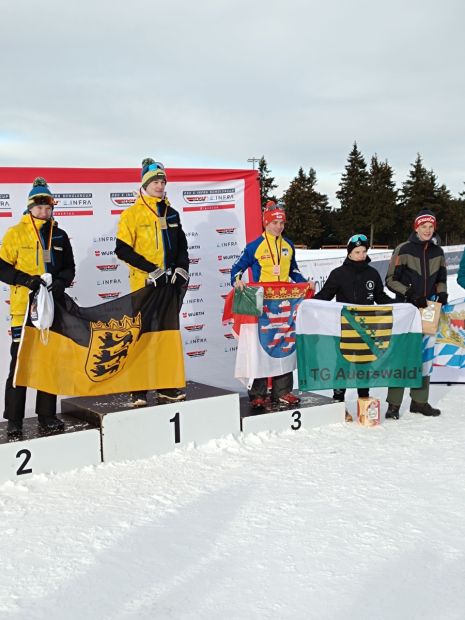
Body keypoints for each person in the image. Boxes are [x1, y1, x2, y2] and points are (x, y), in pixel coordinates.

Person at [0, 177, 75, 438]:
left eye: (48, 207)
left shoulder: (61, 234)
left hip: (52, 310)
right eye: (39, 207)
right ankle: (14, 420)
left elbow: (69, 268)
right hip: (24, 310)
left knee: (49, 363)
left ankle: (47, 416)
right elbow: (2, 267)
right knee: (19, 366)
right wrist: (26, 280)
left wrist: (61, 283)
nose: (44, 211)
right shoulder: (15, 233)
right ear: (30, 207)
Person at [115, 158, 189, 406]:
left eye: (162, 181)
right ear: (145, 184)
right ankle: (138, 389)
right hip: (144, 285)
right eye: (155, 181)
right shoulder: (132, 214)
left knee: (165, 337)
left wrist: (181, 267)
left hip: (168, 286)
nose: (159, 185)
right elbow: (122, 250)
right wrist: (151, 269)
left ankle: (166, 387)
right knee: (141, 336)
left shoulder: (172, 212)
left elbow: (182, 247)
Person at [230, 200, 307, 408]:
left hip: (283, 304)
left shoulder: (288, 245)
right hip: (260, 303)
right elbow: (236, 268)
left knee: (283, 346)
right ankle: (258, 394)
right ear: (266, 223)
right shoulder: (255, 246)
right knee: (259, 348)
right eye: (274, 223)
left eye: (282, 223)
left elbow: (294, 270)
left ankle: (283, 391)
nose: (279, 227)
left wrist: (303, 283)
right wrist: (236, 280)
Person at [314, 233, 394, 421]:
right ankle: (338, 402)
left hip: (367, 329)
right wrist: (307, 303)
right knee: (342, 365)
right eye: (357, 252)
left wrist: (398, 304)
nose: (361, 255)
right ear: (349, 253)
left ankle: (364, 401)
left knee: (364, 365)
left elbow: (380, 297)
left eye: (364, 252)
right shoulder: (338, 274)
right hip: (344, 329)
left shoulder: (372, 273)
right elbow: (325, 296)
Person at [384, 208, 448, 419]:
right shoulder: (403, 249)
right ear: (416, 228)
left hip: (429, 309)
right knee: (402, 355)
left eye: (431, 227)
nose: (427, 230)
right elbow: (391, 280)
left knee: (424, 354)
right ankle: (394, 404)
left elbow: (441, 278)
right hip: (406, 309)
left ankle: (419, 401)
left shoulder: (438, 252)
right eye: (424, 226)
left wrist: (442, 293)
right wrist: (410, 294)